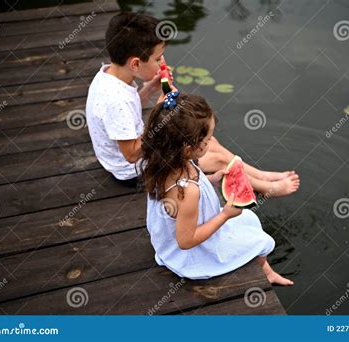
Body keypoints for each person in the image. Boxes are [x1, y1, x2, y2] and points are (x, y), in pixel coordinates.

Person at [86, 12, 300, 195]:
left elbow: (132, 107)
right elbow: (132, 154)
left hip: (125, 158)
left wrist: (150, 88)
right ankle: (265, 188)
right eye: (158, 58)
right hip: (132, 173)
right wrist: (162, 113)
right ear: (135, 63)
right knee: (214, 157)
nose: (162, 63)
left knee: (209, 141)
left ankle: (260, 175)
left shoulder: (111, 75)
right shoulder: (115, 100)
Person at [141, 92, 294, 285]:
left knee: (249, 219)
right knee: (261, 241)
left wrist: (212, 179)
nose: (211, 142)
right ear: (188, 148)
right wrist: (225, 216)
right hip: (190, 256)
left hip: (174, 237)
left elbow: (188, 194)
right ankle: (268, 273)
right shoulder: (187, 191)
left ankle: (266, 270)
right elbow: (186, 241)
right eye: (207, 140)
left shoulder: (165, 162)